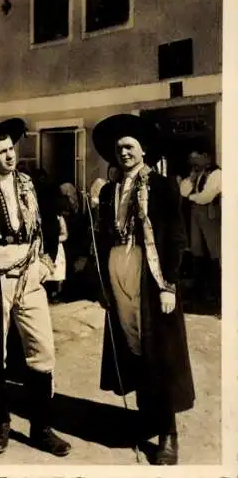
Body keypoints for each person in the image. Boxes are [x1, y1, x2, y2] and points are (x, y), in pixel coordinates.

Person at [0, 118, 71, 457]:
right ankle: (0, 423)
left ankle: (42, 428)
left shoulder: (33, 183)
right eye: (0, 152)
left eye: (11, 149)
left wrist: (46, 263)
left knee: (43, 352)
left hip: (31, 278)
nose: (9, 157)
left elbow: (50, 227)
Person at [92, 114, 195, 465]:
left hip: (150, 273)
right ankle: (145, 418)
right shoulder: (109, 190)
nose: (123, 153)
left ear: (143, 150)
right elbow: (103, 237)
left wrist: (169, 284)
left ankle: (168, 433)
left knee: (160, 350)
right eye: (119, 148)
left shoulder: (163, 187)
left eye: (130, 147)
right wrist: (103, 284)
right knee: (132, 344)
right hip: (118, 268)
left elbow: (177, 239)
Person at [180, 142, 221, 306]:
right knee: (197, 252)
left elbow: (206, 197)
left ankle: (214, 292)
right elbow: (183, 190)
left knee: (214, 253)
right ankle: (199, 292)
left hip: (210, 216)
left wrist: (190, 198)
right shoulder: (198, 173)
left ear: (206, 156)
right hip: (197, 216)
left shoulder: (217, 173)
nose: (193, 161)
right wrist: (191, 178)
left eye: (196, 157)